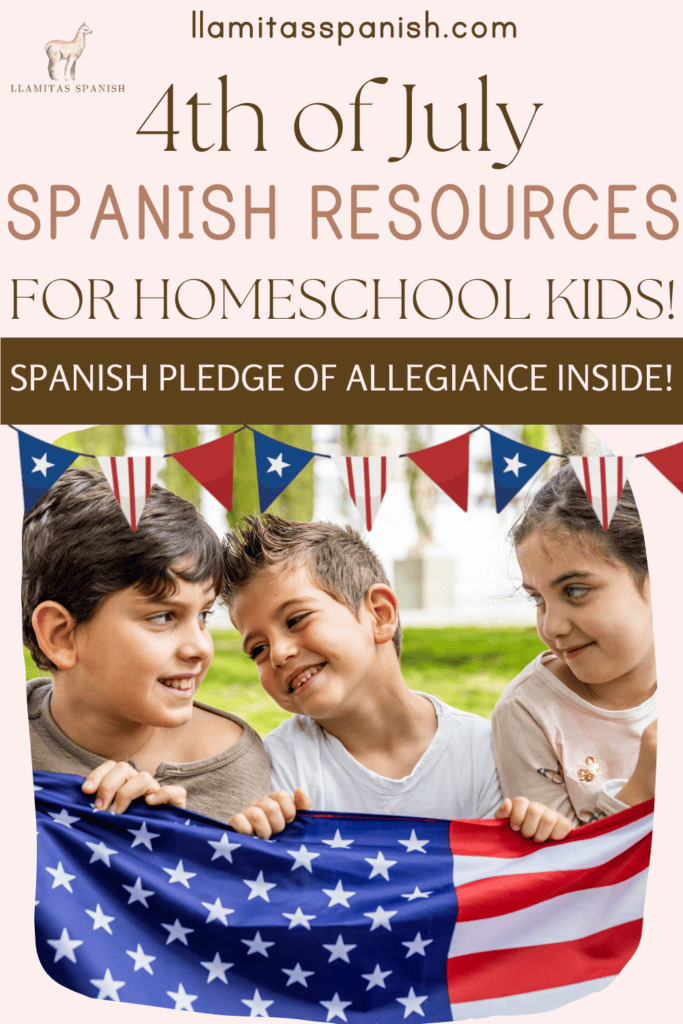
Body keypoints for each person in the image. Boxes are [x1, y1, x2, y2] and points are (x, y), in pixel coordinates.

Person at [223, 514, 573, 842]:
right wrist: (258, 838)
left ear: (380, 614)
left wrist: (538, 831)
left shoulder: (484, 751)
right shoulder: (278, 767)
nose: (279, 654)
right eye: (258, 649)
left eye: (296, 619)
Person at [24, 467, 270, 824]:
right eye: (162, 617)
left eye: (203, 615)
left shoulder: (233, 769)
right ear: (60, 636)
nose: (199, 647)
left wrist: (172, 844)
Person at [491, 464, 657, 826]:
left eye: (575, 591)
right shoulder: (528, 712)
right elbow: (566, 873)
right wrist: (641, 788)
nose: (552, 626)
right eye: (538, 599)